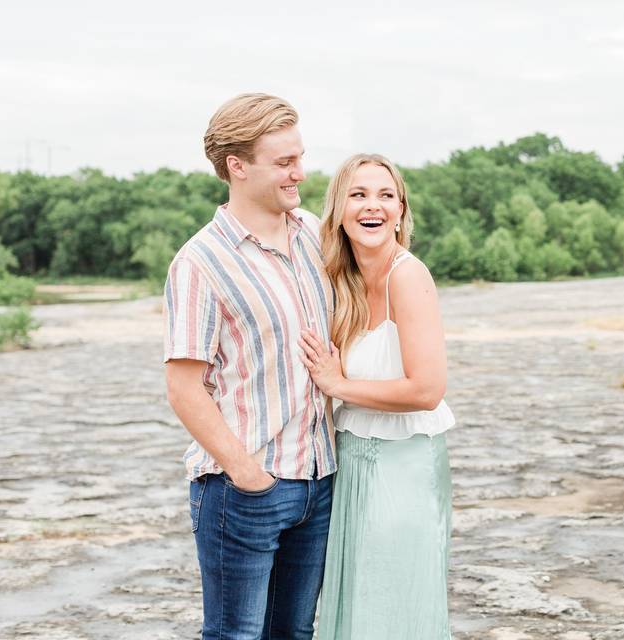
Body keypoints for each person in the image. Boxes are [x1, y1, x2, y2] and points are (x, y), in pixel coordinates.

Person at [163, 93, 337, 640]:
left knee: (295, 634)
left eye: (300, 157)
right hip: (247, 490)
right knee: (234, 636)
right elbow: (184, 387)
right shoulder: (199, 263)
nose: (299, 173)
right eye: (284, 162)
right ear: (237, 167)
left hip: (320, 480)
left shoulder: (313, 233)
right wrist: (246, 474)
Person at [298, 153, 455, 639]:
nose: (374, 206)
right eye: (359, 194)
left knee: (395, 605)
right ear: (339, 210)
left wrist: (339, 385)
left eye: (386, 195)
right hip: (351, 465)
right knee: (355, 603)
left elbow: (428, 390)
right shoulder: (338, 283)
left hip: (404, 465)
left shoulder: (408, 276)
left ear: (402, 211)